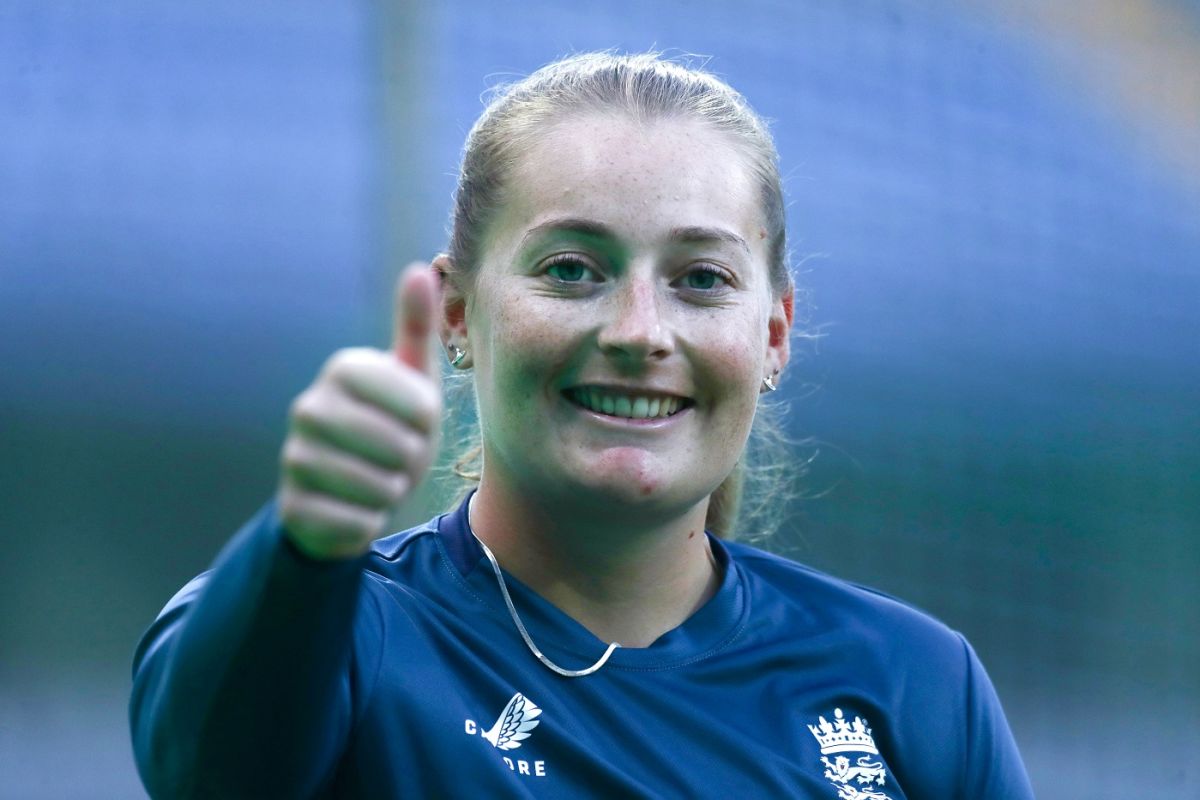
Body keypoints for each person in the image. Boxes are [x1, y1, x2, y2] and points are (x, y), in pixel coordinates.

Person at [129, 52, 1034, 799]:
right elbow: (208, 773)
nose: (640, 330)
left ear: (772, 335)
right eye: (571, 269)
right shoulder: (343, 633)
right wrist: (305, 543)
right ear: (456, 314)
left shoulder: (916, 684)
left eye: (701, 279)